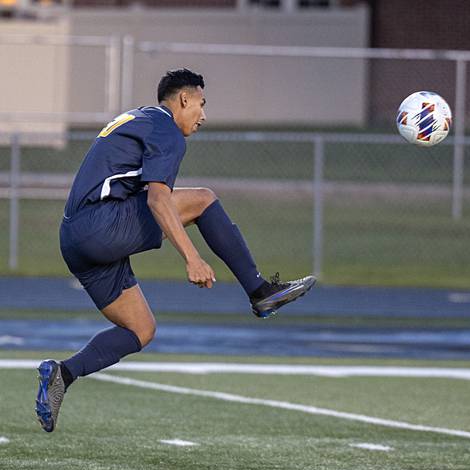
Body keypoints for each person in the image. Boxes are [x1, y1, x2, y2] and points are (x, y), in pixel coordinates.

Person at [36, 68, 315, 433]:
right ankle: (260, 290)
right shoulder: (165, 126)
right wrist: (192, 257)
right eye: (201, 104)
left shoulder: (141, 118)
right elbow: (157, 199)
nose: (203, 116)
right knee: (203, 199)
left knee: (140, 329)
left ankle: (63, 374)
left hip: (75, 239)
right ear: (184, 99)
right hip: (99, 226)